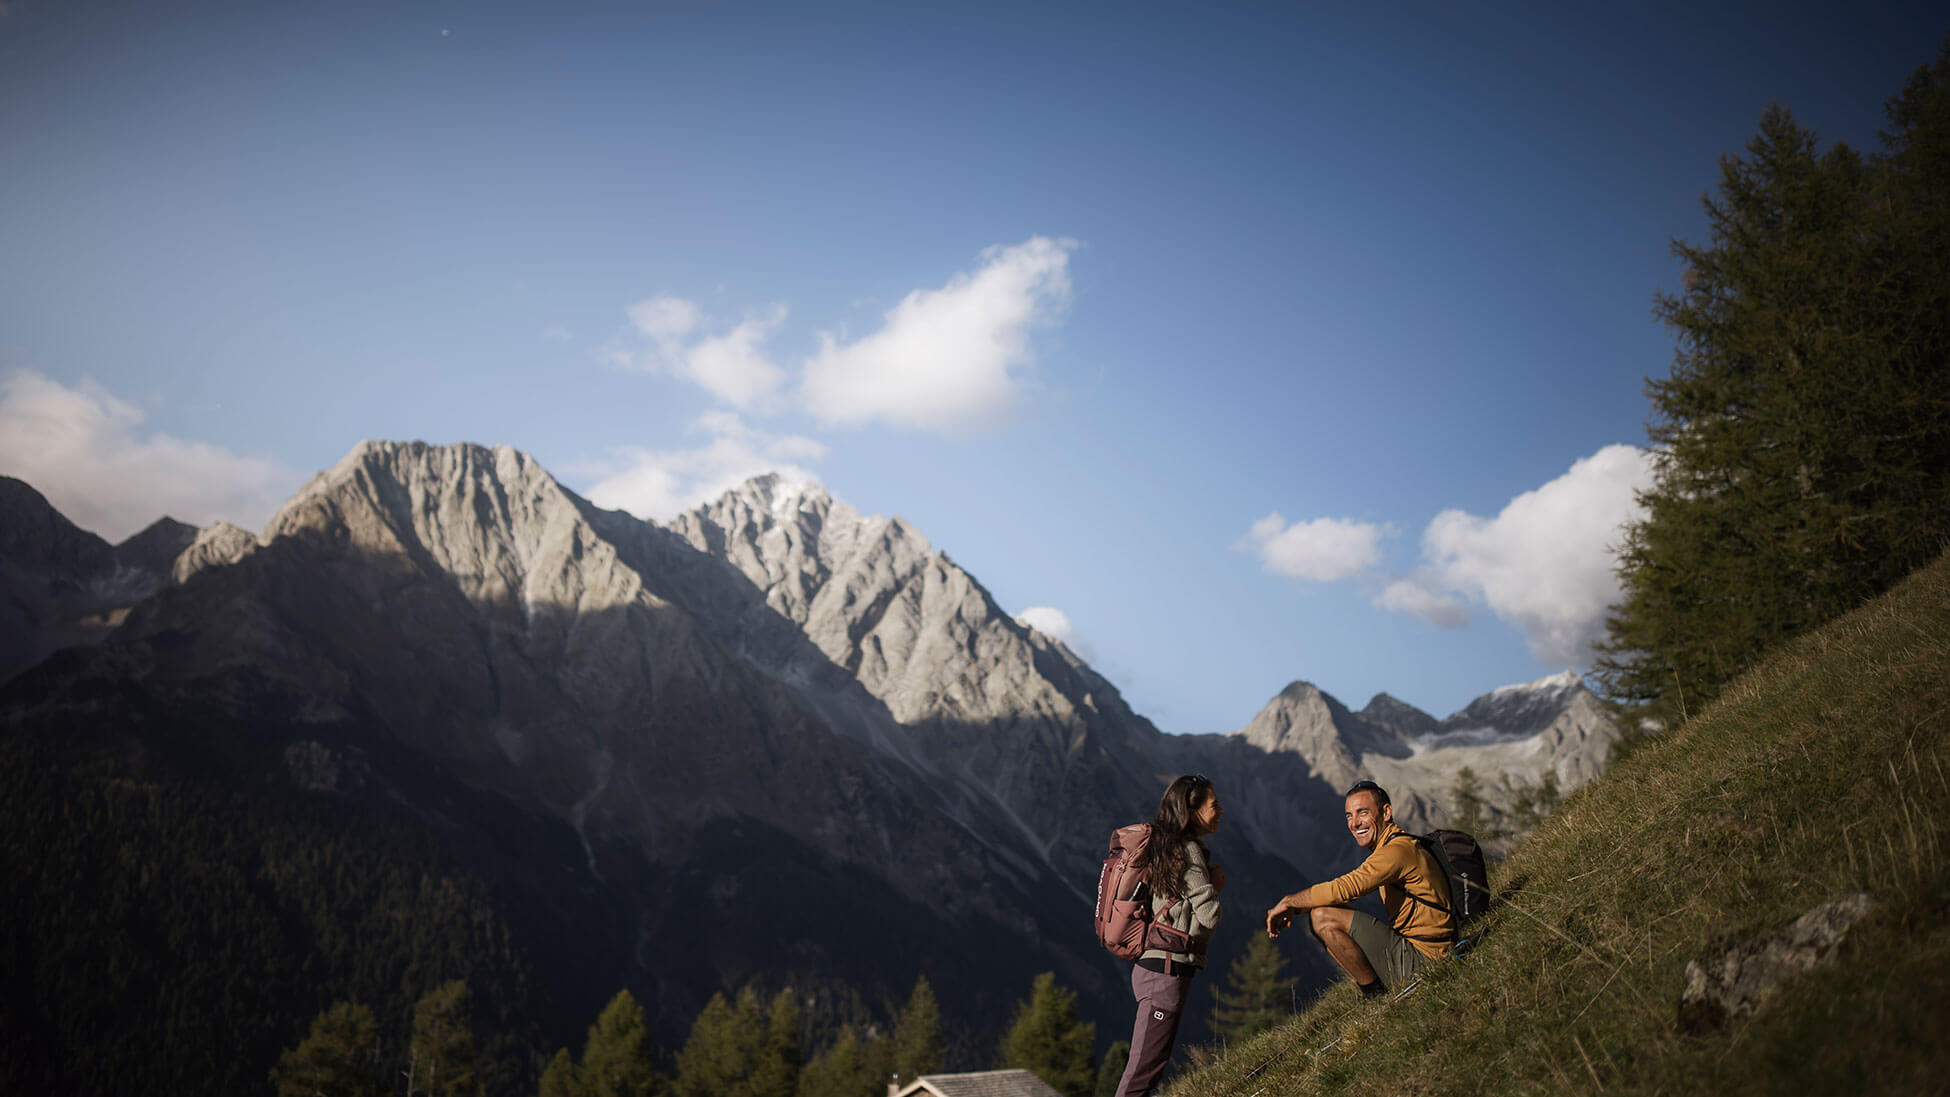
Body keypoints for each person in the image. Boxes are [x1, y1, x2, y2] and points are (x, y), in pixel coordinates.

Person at [1263, 779, 1452, 1000]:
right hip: (1424, 951)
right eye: (1349, 816)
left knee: (1323, 917)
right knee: (1325, 908)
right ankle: (1378, 989)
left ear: (1386, 812)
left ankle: (1375, 997)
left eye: (1363, 813)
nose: (1355, 823)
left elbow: (1346, 887)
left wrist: (1289, 902)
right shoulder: (1397, 844)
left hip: (1426, 961)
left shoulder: (1395, 852)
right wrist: (1297, 908)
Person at [1114, 774, 1225, 1097]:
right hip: (1164, 973)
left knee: (1150, 1065)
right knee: (1143, 1073)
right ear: (1192, 811)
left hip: (1157, 968)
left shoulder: (1168, 846)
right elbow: (1209, 915)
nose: (1221, 811)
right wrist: (1215, 887)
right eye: (1214, 805)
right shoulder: (1187, 850)